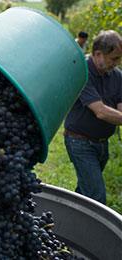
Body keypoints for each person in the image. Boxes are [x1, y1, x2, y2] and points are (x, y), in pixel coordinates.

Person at [64, 30, 122, 204]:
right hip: (80, 142)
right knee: (96, 197)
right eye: (114, 58)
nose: (117, 63)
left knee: (84, 192)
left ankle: (65, 222)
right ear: (98, 54)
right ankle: (88, 231)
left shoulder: (117, 76)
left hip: (102, 144)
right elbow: (101, 111)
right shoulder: (82, 72)